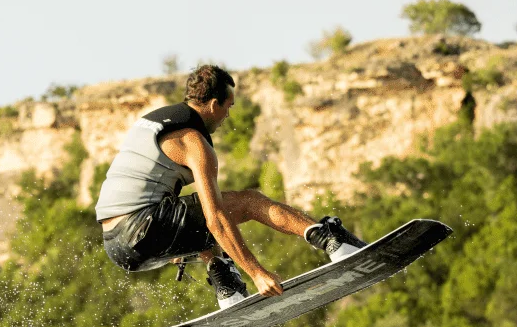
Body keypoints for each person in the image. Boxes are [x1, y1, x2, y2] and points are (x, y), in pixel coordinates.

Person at [97, 64, 368, 308]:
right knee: (246, 202)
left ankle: (227, 286)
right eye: (229, 106)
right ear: (214, 104)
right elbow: (216, 220)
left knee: (200, 208)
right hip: (144, 227)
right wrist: (256, 273)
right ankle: (330, 239)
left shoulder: (153, 122)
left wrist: (175, 244)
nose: (228, 114)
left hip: (116, 245)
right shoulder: (193, 142)